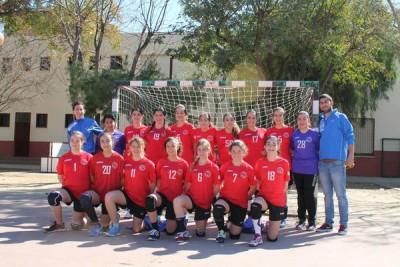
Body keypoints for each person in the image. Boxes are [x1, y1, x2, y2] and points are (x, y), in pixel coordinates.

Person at [317, 94, 355, 235]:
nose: (324, 104)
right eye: (321, 102)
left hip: (337, 163)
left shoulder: (341, 117)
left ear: (331, 102)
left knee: (341, 195)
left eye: (326, 101)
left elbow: (350, 136)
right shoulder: (320, 120)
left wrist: (350, 156)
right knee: (327, 195)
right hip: (322, 163)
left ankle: (343, 225)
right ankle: (328, 222)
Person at [104, 137, 156, 236]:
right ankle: (115, 225)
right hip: (127, 196)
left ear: (143, 147)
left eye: (138, 146)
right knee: (109, 196)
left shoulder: (149, 164)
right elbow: (122, 179)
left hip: (140, 201)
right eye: (133, 147)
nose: (136, 149)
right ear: (130, 148)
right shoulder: (126, 161)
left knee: (136, 230)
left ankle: (146, 221)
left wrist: (149, 203)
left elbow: (153, 184)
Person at [173, 138, 221, 242]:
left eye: (204, 149)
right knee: (177, 201)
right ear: (196, 151)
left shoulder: (214, 167)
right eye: (199, 149)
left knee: (200, 233)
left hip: (205, 202)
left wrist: (209, 199)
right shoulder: (192, 166)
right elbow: (187, 185)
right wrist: (183, 200)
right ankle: (182, 231)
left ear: (209, 150)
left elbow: (217, 187)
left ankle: (201, 219)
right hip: (192, 200)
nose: (202, 152)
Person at [45, 131, 92, 232]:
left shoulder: (89, 157)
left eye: (77, 140)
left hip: (83, 194)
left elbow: (93, 177)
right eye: (72, 140)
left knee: (76, 226)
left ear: (82, 142)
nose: (74, 143)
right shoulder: (64, 158)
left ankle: (82, 216)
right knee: (53, 197)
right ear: (69, 142)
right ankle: (59, 224)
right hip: (68, 191)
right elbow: (60, 176)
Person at [248, 135, 290, 247]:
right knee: (255, 206)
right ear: (265, 147)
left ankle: (267, 225)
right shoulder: (260, 162)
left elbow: (285, 185)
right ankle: (257, 236)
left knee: (272, 238)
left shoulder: (284, 163)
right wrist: (256, 197)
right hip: (264, 198)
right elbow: (257, 183)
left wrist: (283, 204)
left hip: (278, 201)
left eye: (274, 144)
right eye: (268, 144)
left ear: (278, 147)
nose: (271, 146)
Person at [145, 137, 189, 240]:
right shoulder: (161, 162)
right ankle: (155, 230)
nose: (170, 148)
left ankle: (181, 217)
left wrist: (183, 204)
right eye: (168, 146)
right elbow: (158, 180)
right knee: (150, 200)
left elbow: (186, 185)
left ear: (178, 147)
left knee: (170, 231)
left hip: (175, 199)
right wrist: (155, 193)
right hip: (163, 195)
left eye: (173, 146)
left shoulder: (184, 164)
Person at [213, 140, 256, 243]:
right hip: (226, 200)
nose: (236, 154)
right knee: (218, 208)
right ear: (230, 152)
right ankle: (221, 231)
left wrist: (247, 196)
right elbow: (218, 183)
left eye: (239, 151)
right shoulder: (225, 166)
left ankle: (231, 220)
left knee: (234, 236)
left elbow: (253, 186)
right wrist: (214, 197)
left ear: (244, 152)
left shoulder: (249, 169)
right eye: (234, 151)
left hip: (240, 203)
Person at [81, 133, 124, 236]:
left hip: (110, 196)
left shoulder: (119, 159)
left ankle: (113, 215)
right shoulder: (95, 158)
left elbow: (123, 180)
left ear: (113, 142)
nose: (105, 144)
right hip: (98, 193)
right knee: (84, 198)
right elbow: (92, 176)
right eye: (102, 141)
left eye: (108, 141)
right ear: (100, 144)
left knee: (105, 225)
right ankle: (95, 223)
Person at [265, 107, 294, 227]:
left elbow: (293, 148)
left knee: (283, 192)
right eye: (276, 115)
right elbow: (264, 149)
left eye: (280, 115)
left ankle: (282, 217)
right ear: (273, 117)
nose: (278, 118)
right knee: (272, 191)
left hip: (285, 166)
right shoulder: (268, 132)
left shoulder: (290, 130)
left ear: (284, 116)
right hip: (271, 167)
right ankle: (272, 214)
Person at [291, 111, 320, 231]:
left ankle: (312, 221)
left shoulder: (314, 134)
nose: (302, 121)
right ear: (297, 121)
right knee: (300, 195)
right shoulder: (294, 134)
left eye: (304, 119)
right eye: (299, 119)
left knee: (309, 195)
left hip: (310, 169)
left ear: (308, 121)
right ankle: (301, 219)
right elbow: (292, 149)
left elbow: (318, 149)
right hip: (297, 168)